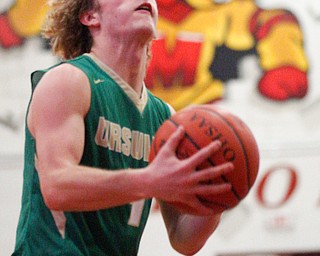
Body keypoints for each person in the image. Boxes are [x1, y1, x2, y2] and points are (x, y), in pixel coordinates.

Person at [12, 0, 234, 255]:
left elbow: (184, 239)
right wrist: (150, 180)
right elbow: (57, 186)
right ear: (90, 16)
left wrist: (219, 195)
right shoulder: (68, 81)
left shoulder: (164, 117)